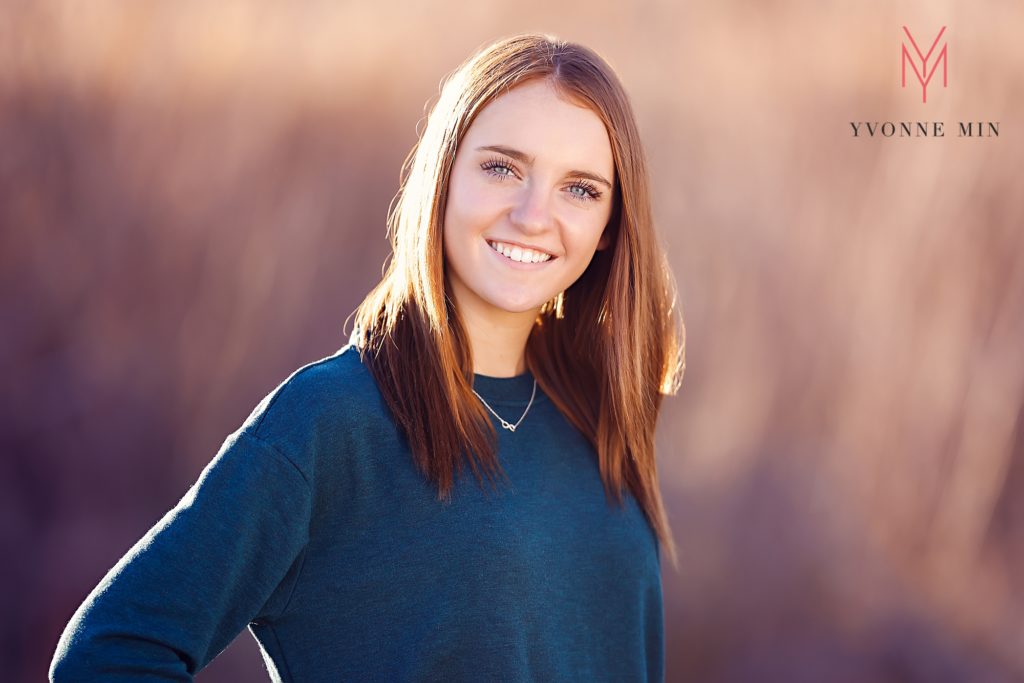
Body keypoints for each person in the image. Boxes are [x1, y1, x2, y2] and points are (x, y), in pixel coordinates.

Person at [49, 32, 685, 682]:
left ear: (610, 228)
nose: (532, 215)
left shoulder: (599, 420)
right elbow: (110, 652)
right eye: (502, 167)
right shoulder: (330, 421)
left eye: (580, 189)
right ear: (442, 176)